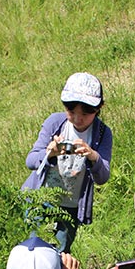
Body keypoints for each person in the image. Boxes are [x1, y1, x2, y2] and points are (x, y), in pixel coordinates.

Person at [22, 72, 113, 253]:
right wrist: (50, 153)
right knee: (32, 250)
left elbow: (103, 177)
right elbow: (31, 160)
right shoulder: (56, 122)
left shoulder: (103, 133)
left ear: (99, 108)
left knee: (60, 254)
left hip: (70, 206)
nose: (78, 119)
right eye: (71, 112)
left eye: (85, 114)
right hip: (40, 198)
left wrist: (93, 156)